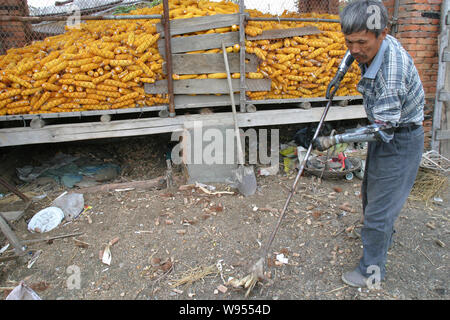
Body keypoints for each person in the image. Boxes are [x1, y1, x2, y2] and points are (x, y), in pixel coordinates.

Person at [313, 0, 425, 287]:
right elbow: (352, 54)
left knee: (378, 209)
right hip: (386, 129)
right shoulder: (370, 45)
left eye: (362, 42)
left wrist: (334, 139)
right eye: (349, 42)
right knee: (370, 194)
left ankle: (371, 272)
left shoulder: (391, 73)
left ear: (382, 33)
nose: (354, 49)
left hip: (399, 137)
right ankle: (383, 237)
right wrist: (339, 74)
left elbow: (383, 131)